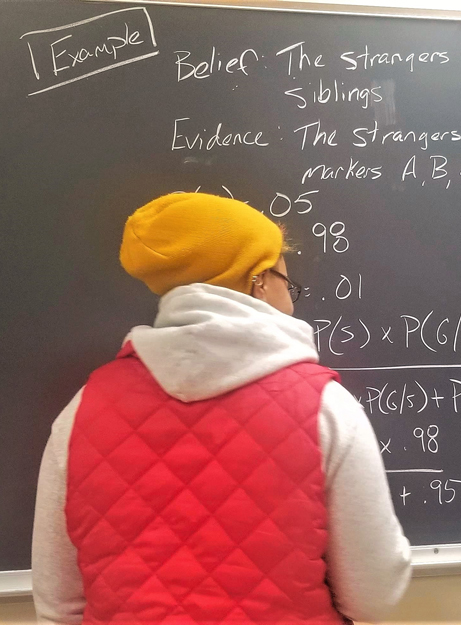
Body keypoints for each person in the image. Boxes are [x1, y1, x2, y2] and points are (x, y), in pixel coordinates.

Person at [31, 192, 411, 624]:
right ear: (260, 281)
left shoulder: (82, 411)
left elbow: (57, 603)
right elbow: (375, 596)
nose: (292, 297)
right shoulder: (325, 407)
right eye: (288, 282)